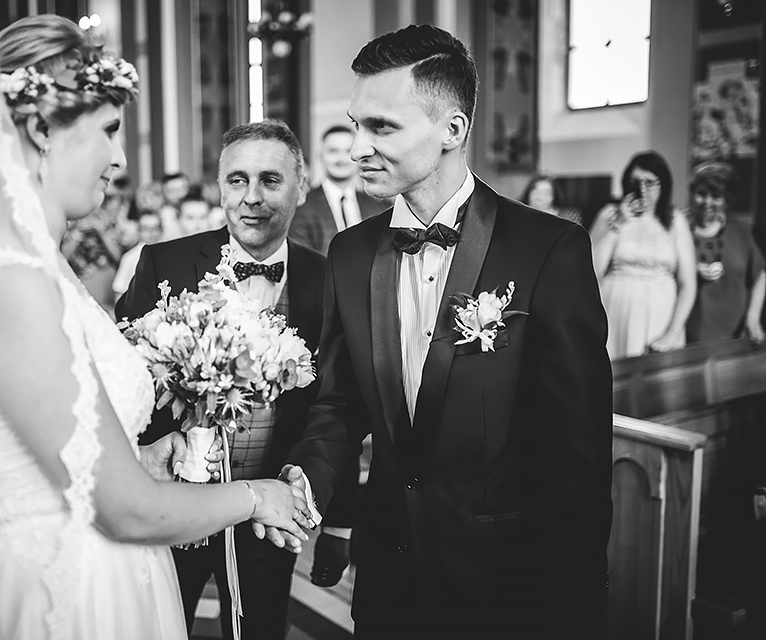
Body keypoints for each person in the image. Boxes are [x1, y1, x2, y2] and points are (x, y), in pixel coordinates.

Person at [0, 16, 312, 640]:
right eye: (109, 130)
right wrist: (256, 496)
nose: (120, 158)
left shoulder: (42, 267)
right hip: (70, 596)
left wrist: (144, 457)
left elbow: (64, 455)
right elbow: (125, 511)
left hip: (106, 574)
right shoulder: (15, 281)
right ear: (41, 131)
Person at [257, 25, 614, 638]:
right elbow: (340, 404)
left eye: (382, 127)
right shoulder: (351, 254)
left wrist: (574, 603)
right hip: (389, 584)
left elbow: (576, 456)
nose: (358, 147)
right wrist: (306, 475)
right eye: (356, 125)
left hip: (508, 584)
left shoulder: (547, 250)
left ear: (453, 129)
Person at [117, 120, 356, 640]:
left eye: (270, 180)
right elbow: (122, 380)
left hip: (271, 511)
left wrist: (338, 522)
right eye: (237, 180)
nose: (252, 197)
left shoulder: (331, 280)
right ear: (220, 187)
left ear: (301, 187)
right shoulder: (164, 263)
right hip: (172, 506)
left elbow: (341, 404)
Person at [590, 151, 697, 359]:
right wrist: (617, 224)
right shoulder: (609, 214)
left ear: (663, 184)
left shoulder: (675, 220)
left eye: (650, 182)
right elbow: (591, 273)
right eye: (635, 182)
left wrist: (673, 332)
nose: (642, 190)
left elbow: (688, 284)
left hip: (661, 317)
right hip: (614, 312)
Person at [685, 162, 765, 344]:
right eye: (701, 194)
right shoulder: (678, 227)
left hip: (734, 337)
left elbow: (760, 276)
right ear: (692, 193)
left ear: (726, 199)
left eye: (716, 196)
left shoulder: (741, 230)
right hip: (684, 338)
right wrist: (692, 271)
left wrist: (753, 320)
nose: (707, 202)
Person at [288, 124, 387, 254]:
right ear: (320, 156)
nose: (341, 159)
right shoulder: (301, 206)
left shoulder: (379, 207)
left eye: (348, 151)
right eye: (333, 151)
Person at [112, 208, 162, 297]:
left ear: (161, 230)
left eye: (155, 228)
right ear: (139, 230)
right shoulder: (129, 258)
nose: (150, 233)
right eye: (145, 229)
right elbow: (120, 290)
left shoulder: (169, 255)